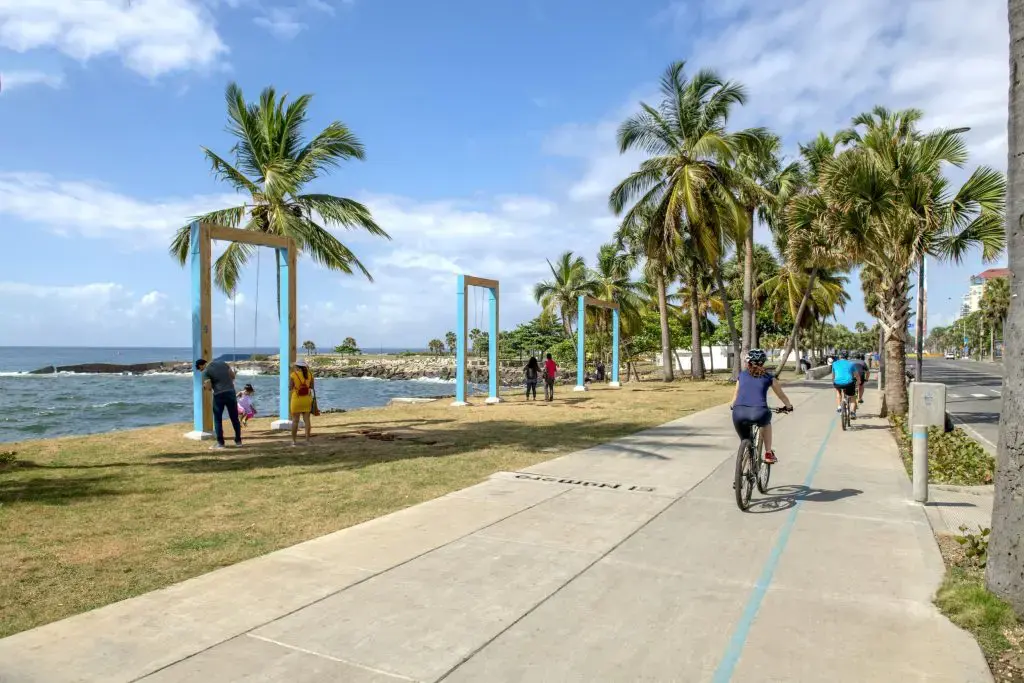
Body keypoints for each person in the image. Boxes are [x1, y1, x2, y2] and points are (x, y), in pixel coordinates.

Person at [731, 349, 793, 464]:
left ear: (748, 362)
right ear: (763, 363)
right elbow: (781, 396)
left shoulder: (742, 376)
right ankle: (768, 453)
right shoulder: (769, 377)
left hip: (738, 412)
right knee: (766, 422)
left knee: (745, 440)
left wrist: (732, 405)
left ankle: (742, 473)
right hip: (760, 412)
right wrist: (788, 406)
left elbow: (736, 395)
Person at [195, 358, 241, 449]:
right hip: (231, 393)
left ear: (201, 365)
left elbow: (208, 387)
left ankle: (220, 443)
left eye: (200, 369)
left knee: (217, 419)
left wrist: (205, 387)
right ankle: (238, 441)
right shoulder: (223, 363)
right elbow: (233, 376)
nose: (201, 370)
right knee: (234, 418)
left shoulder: (206, 371)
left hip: (219, 395)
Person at [289, 359, 315, 446]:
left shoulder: (293, 374)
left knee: (295, 421)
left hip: (297, 399)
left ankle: (294, 441)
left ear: (297, 366)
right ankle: (307, 441)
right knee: (307, 420)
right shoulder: (310, 374)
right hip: (307, 399)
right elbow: (312, 386)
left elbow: (290, 387)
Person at [831, 350, 858, 419]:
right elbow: (856, 375)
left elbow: (833, 375)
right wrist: (859, 381)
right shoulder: (851, 364)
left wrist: (833, 381)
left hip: (838, 383)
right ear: (847, 356)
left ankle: (839, 407)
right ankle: (852, 412)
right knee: (852, 397)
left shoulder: (834, 363)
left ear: (840, 356)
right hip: (849, 383)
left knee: (838, 391)